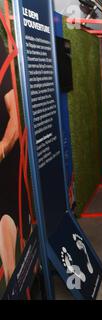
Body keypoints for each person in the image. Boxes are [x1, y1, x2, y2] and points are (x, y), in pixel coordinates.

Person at [0, 42, 20, 286]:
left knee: (5, 215)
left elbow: (15, 115)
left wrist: (3, 146)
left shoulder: (0, 53)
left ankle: (14, 280)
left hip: (4, 162)